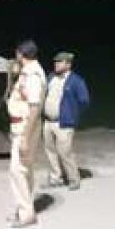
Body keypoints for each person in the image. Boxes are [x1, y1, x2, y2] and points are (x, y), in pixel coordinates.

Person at [6, 40, 45, 228]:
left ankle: (26, 214)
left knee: (17, 170)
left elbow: (35, 107)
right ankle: (25, 209)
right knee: (25, 170)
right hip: (20, 127)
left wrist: (25, 138)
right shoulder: (27, 73)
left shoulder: (33, 75)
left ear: (21, 54)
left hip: (25, 128)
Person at [42, 52, 90, 191]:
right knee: (50, 151)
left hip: (64, 123)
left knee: (65, 152)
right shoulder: (51, 77)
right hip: (48, 121)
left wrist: (72, 114)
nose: (56, 64)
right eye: (55, 61)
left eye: (60, 62)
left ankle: (74, 179)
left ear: (68, 64)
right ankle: (55, 178)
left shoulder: (76, 81)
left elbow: (84, 101)